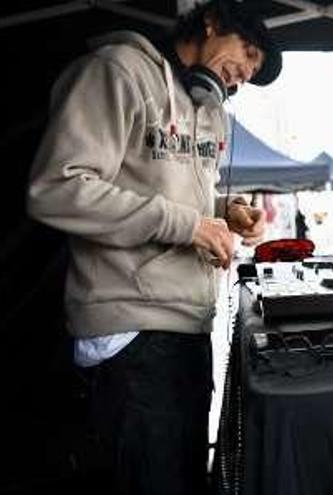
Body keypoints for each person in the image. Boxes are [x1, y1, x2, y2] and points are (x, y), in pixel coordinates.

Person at [26, 1, 281, 493]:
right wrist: (188, 226)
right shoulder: (117, 71)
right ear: (212, 23)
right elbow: (56, 187)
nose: (245, 73)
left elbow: (180, 195)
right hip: (129, 329)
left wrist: (226, 214)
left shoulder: (209, 111)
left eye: (253, 72)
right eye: (248, 52)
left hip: (187, 325)